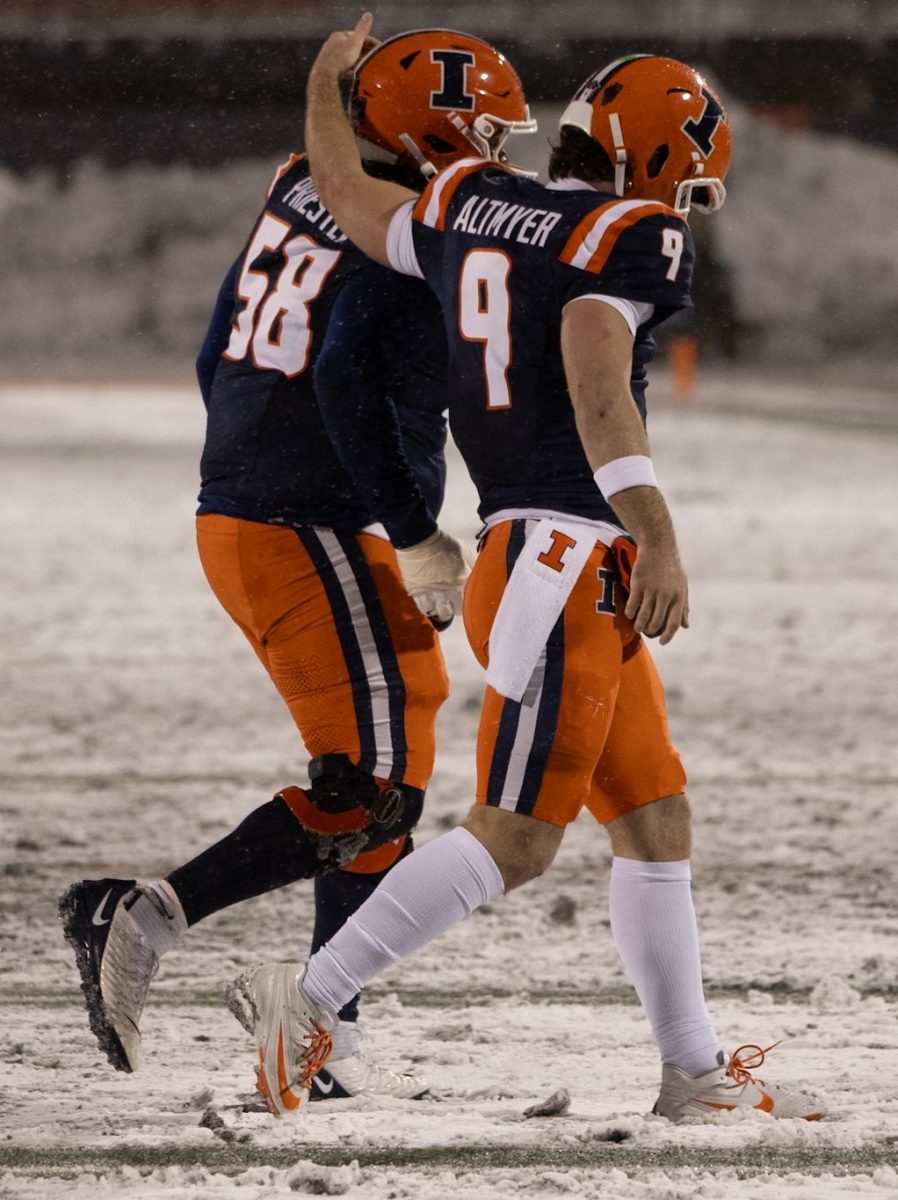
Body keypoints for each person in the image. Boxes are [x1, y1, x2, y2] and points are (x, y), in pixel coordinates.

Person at [231, 16, 826, 1123]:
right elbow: (596, 383)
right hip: (566, 557)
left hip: (534, 555)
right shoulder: (629, 234)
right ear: (652, 157)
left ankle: (690, 1069)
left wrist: (325, 88)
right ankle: (308, 996)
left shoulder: (465, 203)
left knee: (654, 815)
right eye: (684, 176)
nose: (687, 203)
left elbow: (349, 195)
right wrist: (654, 527)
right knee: (516, 837)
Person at [57, 27, 536, 1103]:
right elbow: (343, 388)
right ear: (435, 127)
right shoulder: (403, 233)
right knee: (368, 789)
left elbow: (215, 343)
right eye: (488, 130)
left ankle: (331, 1028)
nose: (499, 151)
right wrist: (412, 527)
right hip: (304, 514)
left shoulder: (303, 181)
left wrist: (245, 455)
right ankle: (141, 914)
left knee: (390, 759)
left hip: (263, 503)